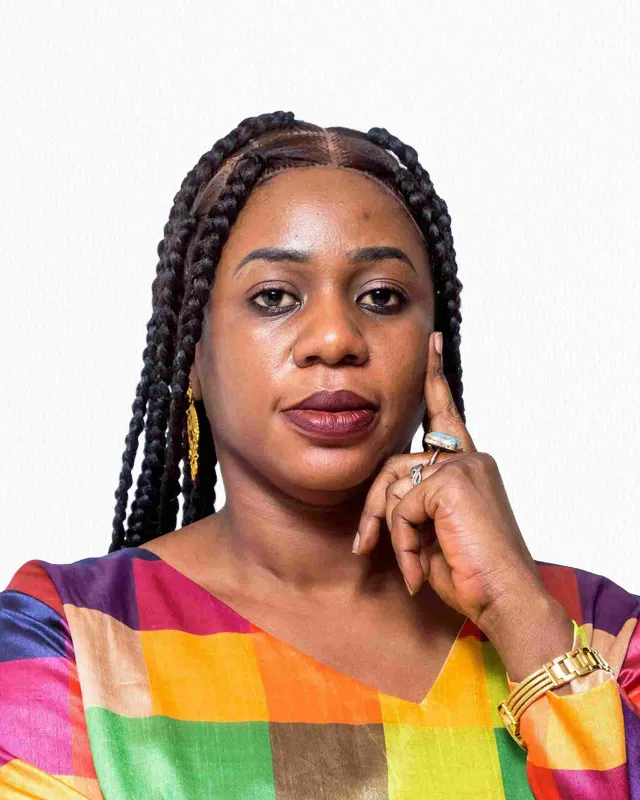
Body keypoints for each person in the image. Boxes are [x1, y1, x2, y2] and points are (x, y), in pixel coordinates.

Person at [1, 110, 638, 799]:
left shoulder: (604, 633)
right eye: (274, 297)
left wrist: (525, 620)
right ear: (192, 352)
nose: (335, 339)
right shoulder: (67, 637)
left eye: (382, 297)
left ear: (436, 343)